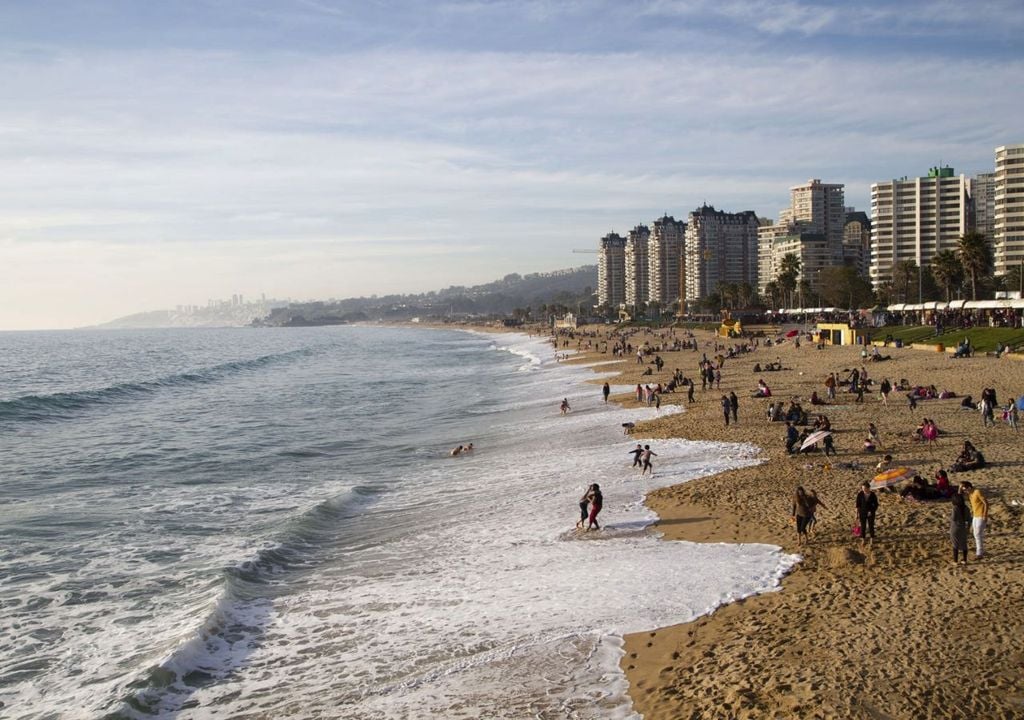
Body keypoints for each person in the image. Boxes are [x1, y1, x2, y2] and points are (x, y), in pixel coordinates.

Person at [961, 481, 988, 558]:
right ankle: (980, 550)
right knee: (976, 534)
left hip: (981, 515)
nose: (965, 491)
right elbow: (959, 496)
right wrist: (960, 488)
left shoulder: (977, 492)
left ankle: (979, 552)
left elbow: (986, 503)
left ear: (969, 487)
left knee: (977, 534)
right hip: (975, 516)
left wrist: (985, 515)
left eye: (965, 489)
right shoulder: (970, 494)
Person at [950, 486, 971, 564]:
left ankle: (955, 561)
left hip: (955, 528)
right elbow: (969, 519)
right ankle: (964, 560)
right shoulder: (966, 508)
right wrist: (968, 528)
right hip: (963, 528)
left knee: (955, 544)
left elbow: (953, 518)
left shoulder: (955, 508)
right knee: (964, 544)